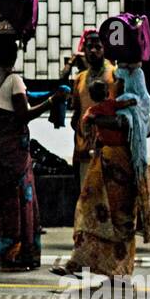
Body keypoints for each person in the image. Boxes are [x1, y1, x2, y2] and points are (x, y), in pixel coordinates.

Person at [0, 38, 63, 271]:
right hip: (13, 155)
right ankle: (14, 256)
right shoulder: (14, 80)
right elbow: (23, 114)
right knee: (15, 202)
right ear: (13, 57)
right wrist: (52, 101)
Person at [54, 64, 150, 277]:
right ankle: (80, 263)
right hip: (103, 163)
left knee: (120, 221)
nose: (114, 82)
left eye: (118, 80)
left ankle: (119, 271)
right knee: (90, 214)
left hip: (122, 168)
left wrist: (95, 116)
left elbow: (131, 125)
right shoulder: (118, 104)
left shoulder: (136, 105)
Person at [60, 29, 116, 185]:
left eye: (97, 47)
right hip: (85, 151)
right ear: (83, 50)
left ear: (105, 49)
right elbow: (76, 114)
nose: (93, 51)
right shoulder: (80, 79)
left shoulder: (115, 76)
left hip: (109, 150)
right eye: (89, 47)